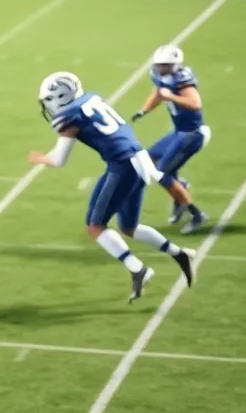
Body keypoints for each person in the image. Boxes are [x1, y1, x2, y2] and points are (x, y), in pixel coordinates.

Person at [29, 72, 194, 302]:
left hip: (123, 166)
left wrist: (40, 158)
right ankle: (179, 254)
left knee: (95, 225)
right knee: (128, 226)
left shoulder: (69, 115)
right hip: (140, 160)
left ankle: (138, 269)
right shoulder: (91, 98)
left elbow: (59, 159)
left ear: (58, 97)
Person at [130, 45, 211, 233]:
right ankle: (179, 192)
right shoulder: (161, 76)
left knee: (162, 173)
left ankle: (196, 214)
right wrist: (144, 110)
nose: (162, 68)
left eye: (166, 65)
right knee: (149, 160)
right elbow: (159, 92)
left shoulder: (182, 79)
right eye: (159, 65)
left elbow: (195, 103)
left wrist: (173, 97)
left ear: (175, 64)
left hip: (192, 134)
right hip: (179, 131)